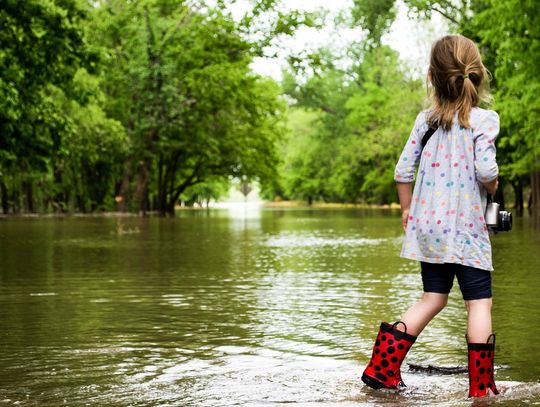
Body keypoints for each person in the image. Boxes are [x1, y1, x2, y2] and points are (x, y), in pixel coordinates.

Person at [361, 35, 500, 398]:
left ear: (434, 77)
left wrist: (407, 209)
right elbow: (486, 171)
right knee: (479, 303)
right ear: (476, 74)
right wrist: (494, 185)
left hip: (429, 229)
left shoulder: (426, 121)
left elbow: (402, 172)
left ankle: (381, 369)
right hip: (467, 230)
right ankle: (481, 388)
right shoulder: (484, 120)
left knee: (432, 298)